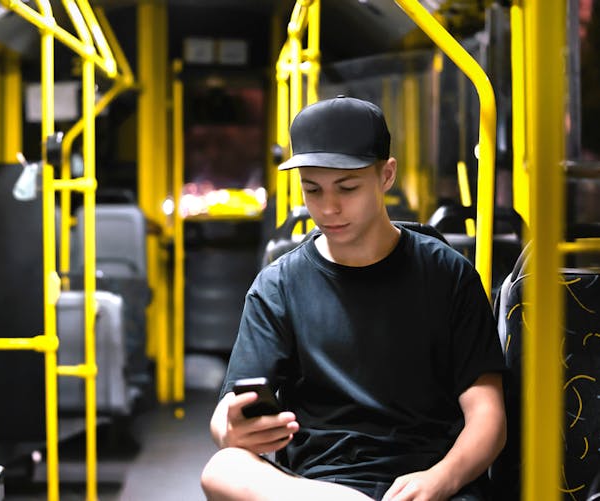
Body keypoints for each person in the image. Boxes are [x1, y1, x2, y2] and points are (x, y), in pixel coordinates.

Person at [200, 96, 506, 501]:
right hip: (318, 488)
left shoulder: (447, 274)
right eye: (313, 189)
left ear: (386, 175)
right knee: (222, 467)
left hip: (429, 479)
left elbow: (488, 416)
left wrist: (441, 479)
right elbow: (227, 415)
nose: (328, 209)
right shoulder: (278, 287)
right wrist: (231, 428)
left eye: (347, 188)